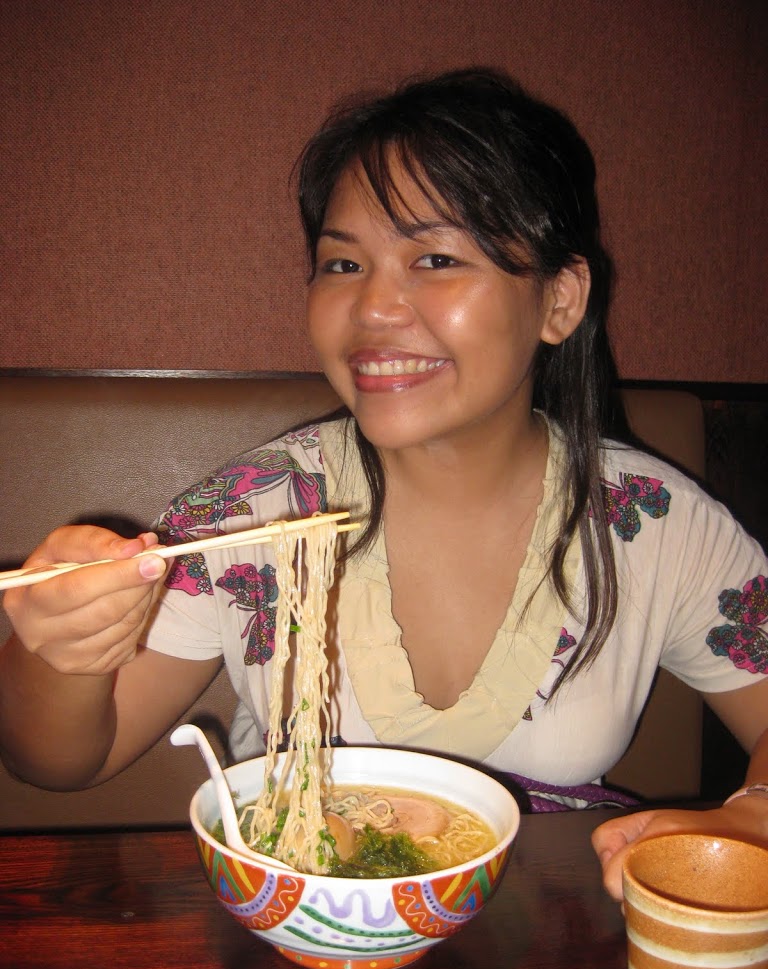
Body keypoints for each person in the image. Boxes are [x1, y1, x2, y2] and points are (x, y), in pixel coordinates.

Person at [1, 68, 766, 901]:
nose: (371, 308)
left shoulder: (652, 522)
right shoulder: (252, 513)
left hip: (554, 928)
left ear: (559, 299)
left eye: (435, 258)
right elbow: (59, 762)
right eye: (342, 263)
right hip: (302, 920)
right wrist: (62, 650)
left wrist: (757, 811)